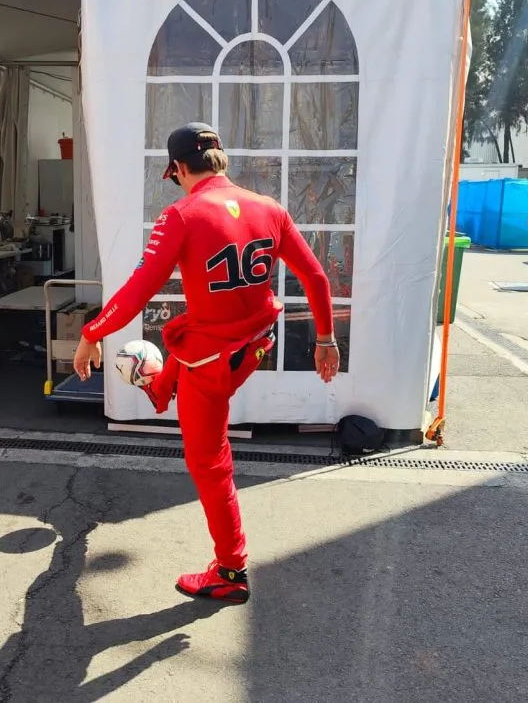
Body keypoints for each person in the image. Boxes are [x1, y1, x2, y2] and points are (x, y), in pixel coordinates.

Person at [72, 122, 338, 605]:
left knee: (209, 462)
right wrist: (326, 340)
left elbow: (137, 292)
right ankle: (159, 387)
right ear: (222, 159)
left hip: (214, 362)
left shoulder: (181, 215)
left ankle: (231, 570)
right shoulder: (270, 208)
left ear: (175, 169)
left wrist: (92, 334)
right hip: (255, 342)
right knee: (182, 330)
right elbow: (316, 278)